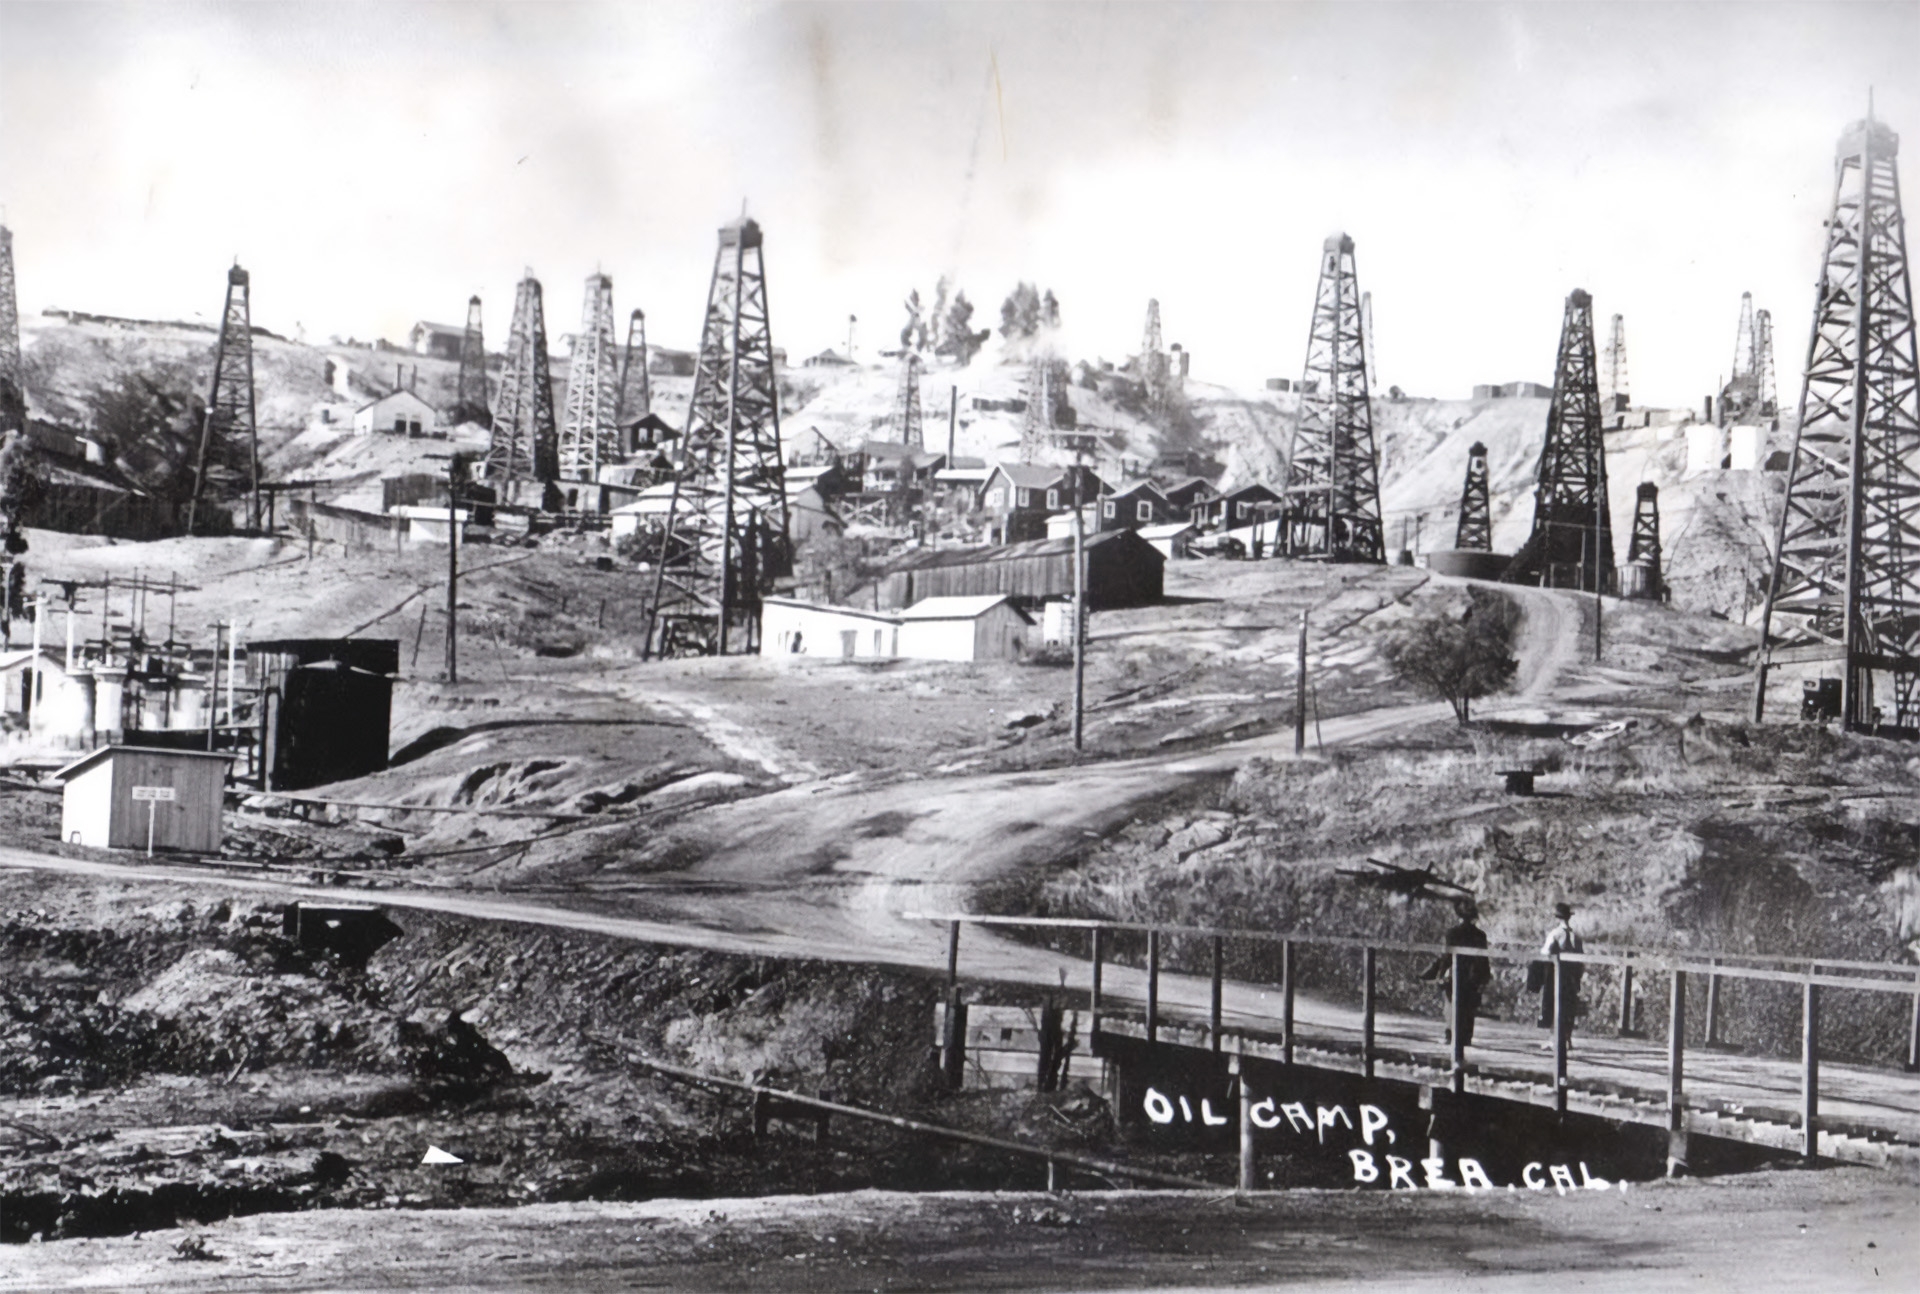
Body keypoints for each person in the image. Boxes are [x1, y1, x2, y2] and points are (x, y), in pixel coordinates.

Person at [1421, 898, 1492, 1047]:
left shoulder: (1453, 933)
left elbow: (1447, 957)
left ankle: (1451, 1035)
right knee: (1469, 1007)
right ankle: (1466, 1037)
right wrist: (1484, 976)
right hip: (1473, 974)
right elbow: (1483, 959)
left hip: (1457, 974)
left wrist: (1439, 974)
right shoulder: (1480, 935)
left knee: (1451, 1004)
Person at [1532, 901, 1584, 1049]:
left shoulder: (1555, 934)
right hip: (1572, 975)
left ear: (1558, 918)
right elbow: (1580, 959)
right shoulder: (1577, 936)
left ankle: (1554, 1039)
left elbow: (1546, 952)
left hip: (1557, 974)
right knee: (1568, 1006)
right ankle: (1567, 1039)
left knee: (1554, 1005)